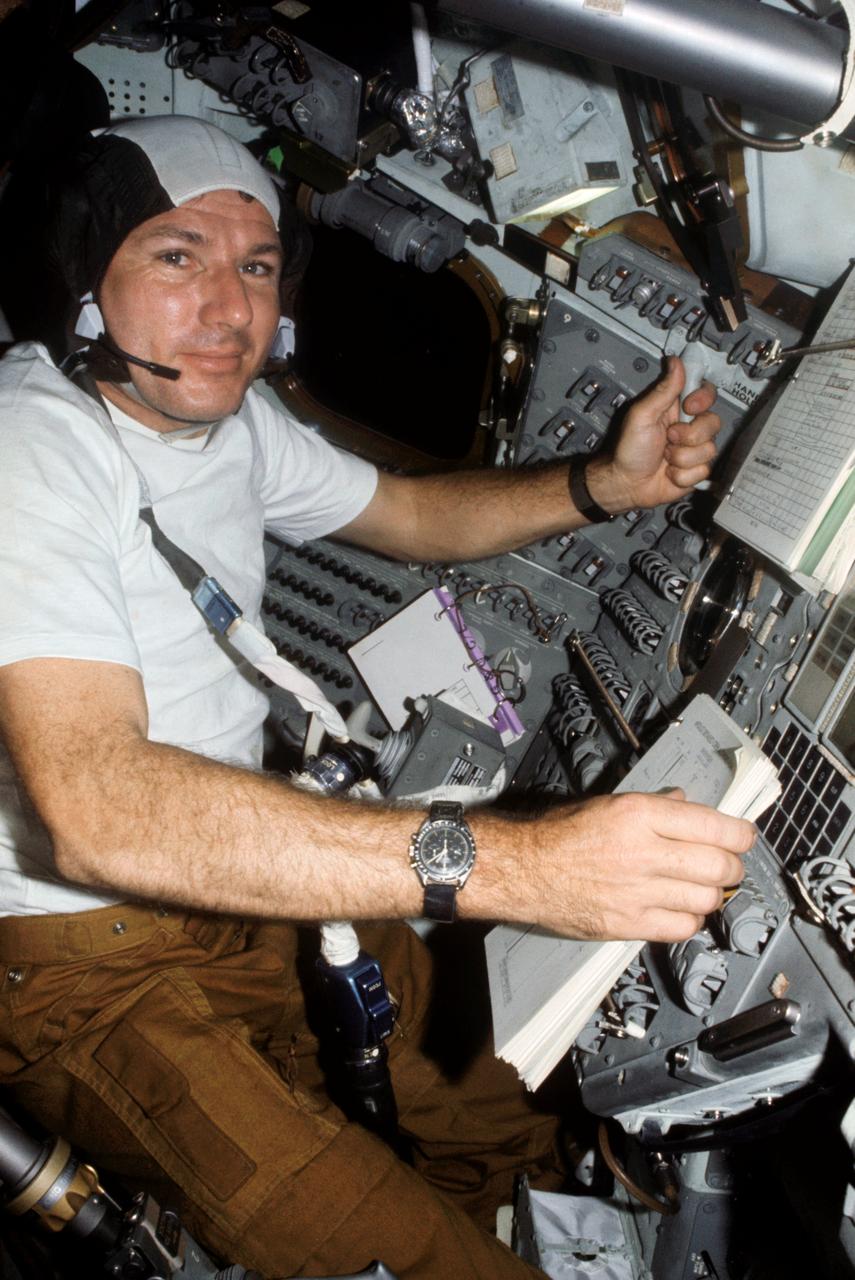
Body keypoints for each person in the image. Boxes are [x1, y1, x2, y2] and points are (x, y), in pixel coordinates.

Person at [0, 116, 753, 1279]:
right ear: (82, 277)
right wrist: (513, 865)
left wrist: (602, 484)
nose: (230, 308)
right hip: (81, 957)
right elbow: (97, 810)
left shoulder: (233, 420)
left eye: (257, 266)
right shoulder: (29, 446)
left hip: (234, 874)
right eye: (177, 256)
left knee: (507, 1112)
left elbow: (405, 513)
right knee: (406, 1253)